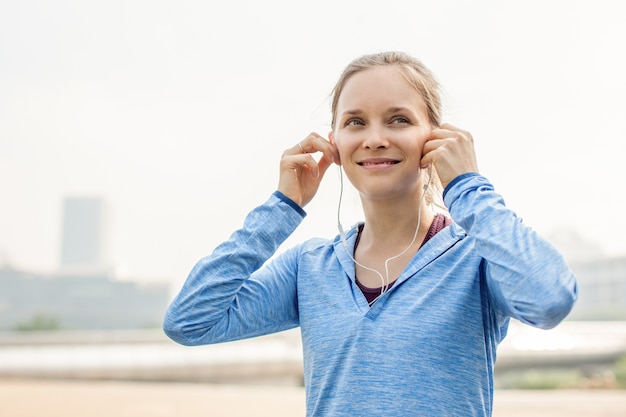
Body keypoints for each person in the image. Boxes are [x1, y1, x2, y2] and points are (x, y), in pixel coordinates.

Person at [163, 51, 577, 416]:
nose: (375, 139)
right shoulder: (309, 267)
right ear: (335, 144)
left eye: (398, 120)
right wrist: (281, 208)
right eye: (355, 122)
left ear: (434, 137)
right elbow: (190, 321)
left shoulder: (477, 259)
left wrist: (468, 187)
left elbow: (550, 298)